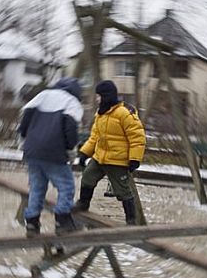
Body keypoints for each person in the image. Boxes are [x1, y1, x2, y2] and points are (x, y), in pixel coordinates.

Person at [18, 77, 83, 237]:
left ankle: (32, 222)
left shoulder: (43, 95)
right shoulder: (72, 102)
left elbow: (24, 121)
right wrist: (70, 147)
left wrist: (28, 140)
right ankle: (62, 221)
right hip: (53, 151)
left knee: (37, 187)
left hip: (32, 150)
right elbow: (70, 127)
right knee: (66, 186)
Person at [74, 80, 146, 225]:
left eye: (99, 96)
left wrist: (134, 159)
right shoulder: (100, 114)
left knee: (123, 191)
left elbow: (137, 137)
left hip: (117, 160)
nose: (96, 99)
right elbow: (95, 137)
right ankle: (83, 203)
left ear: (106, 96)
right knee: (88, 176)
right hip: (100, 157)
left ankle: (131, 220)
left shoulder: (125, 113)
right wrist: (84, 154)